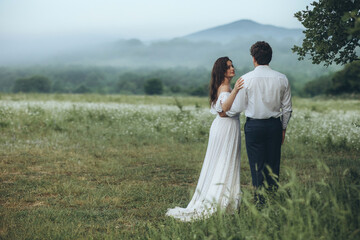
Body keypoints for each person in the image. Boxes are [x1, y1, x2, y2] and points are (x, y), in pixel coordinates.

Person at [166, 57, 244, 221]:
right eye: (228, 67)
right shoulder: (225, 88)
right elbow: (224, 109)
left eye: (232, 66)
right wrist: (236, 90)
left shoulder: (223, 86)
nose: (232, 69)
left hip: (225, 126)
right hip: (225, 127)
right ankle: (220, 199)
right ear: (222, 71)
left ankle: (224, 198)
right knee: (224, 160)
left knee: (223, 161)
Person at [223, 41, 292, 205]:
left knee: (257, 164)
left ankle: (260, 201)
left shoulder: (245, 79)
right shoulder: (282, 78)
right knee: (273, 162)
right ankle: (273, 198)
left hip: (254, 126)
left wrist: (224, 111)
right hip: (274, 125)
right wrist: (283, 129)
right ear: (270, 58)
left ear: (253, 58)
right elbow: (287, 108)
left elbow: (237, 107)